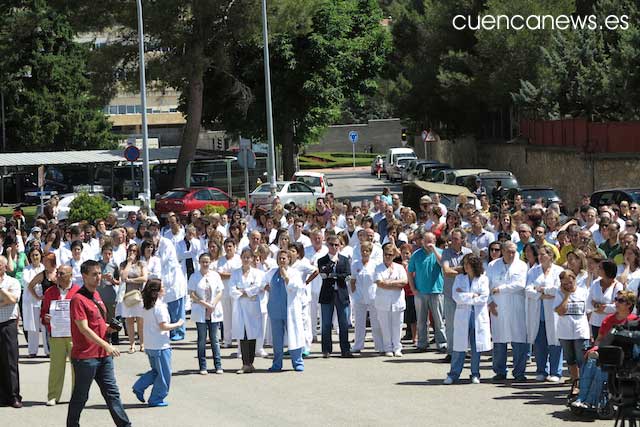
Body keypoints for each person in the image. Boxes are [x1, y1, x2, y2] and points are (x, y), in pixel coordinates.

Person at [67, 260, 130, 427]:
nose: (98, 277)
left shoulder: (96, 295)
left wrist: (110, 328)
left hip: (102, 355)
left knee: (112, 394)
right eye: (94, 274)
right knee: (81, 396)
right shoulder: (78, 299)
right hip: (86, 357)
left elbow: (98, 323)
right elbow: (84, 329)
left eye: (99, 273)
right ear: (84, 276)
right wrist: (107, 345)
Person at [571, 289, 638, 409]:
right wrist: (595, 348)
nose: (616, 303)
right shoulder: (608, 319)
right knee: (591, 361)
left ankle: (590, 401)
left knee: (602, 368)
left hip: (624, 357)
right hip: (606, 352)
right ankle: (581, 398)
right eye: (616, 300)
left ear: (629, 304)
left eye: (620, 301)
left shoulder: (634, 321)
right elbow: (599, 339)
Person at [132, 279, 183, 407]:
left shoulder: (146, 305)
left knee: (156, 371)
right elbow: (163, 326)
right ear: (157, 291)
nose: (164, 289)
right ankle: (156, 398)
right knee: (164, 374)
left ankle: (139, 386)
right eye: (162, 287)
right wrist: (178, 324)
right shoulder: (159, 306)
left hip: (151, 344)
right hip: (160, 345)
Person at [444, 254, 491, 384]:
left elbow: (483, 298)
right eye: (464, 264)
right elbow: (456, 297)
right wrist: (473, 295)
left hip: (477, 317)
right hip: (463, 317)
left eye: (467, 264)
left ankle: (475, 373)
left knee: (476, 347)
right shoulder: (459, 278)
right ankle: (453, 374)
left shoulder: (483, 279)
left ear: (474, 265)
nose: (465, 266)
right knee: (459, 347)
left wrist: (466, 296)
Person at [486, 241, 529, 381]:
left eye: (513, 251)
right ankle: (499, 371)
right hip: (497, 306)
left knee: (519, 340)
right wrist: (489, 302)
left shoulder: (522, 265)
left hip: (517, 307)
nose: (511, 254)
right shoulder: (492, 265)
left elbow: (520, 284)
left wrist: (501, 289)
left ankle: (519, 372)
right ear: (502, 251)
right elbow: (486, 285)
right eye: (508, 251)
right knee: (499, 339)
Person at [41, 265, 80, 406]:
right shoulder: (50, 292)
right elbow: (43, 311)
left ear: (70, 275)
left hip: (74, 335)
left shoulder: (78, 291)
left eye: (62, 273)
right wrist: (45, 318)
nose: (58, 275)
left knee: (77, 367)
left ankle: (76, 396)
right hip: (56, 334)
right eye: (57, 273)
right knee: (56, 366)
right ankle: (53, 396)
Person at [525, 246, 564, 383]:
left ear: (551, 255)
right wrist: (542, 295)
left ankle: (556, 372)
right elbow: (528, 290)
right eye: (539, 254)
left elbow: (558, 290)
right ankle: (541, 370)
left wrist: (542, 290)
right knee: (539, 343)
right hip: (537, 311)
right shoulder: (533, 271)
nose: (540, 257)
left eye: (543, 254)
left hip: (553, 312)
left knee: (555, 342)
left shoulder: (559, 271)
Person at [265, 250, 306, 372]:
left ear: (289, 259)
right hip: (275, 310)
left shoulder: (294, 273)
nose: (282, 260)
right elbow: (262, 282)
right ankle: (277, 364)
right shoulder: (271, 272)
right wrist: (265, 287)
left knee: (294, 336)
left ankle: (297, 362)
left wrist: (286, 276)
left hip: (290, 311)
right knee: (277, 340)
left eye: (284, 258)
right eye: (280, 258)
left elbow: (297, 287)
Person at [408, 231, 446, 352]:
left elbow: (442, 264)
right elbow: (410, 272)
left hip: (437, 291)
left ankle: (442, 343)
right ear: (422, 241)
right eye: (426, 241)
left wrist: (434, 250)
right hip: (420, 292)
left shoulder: (440, 253)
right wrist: (413, 288)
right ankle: (422, 343)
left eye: (431, 241)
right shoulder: (416, 255)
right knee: (421, 320)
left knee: (439, 320)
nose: (428, 243)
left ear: (434, 242)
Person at [554, 269, 590, 395]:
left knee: (582, 360)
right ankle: (576, 383)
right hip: (565, 332)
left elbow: (589, 311)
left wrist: (590, 330)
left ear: (575, 279)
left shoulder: (583, 291)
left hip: (581, 330)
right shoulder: (559, 293)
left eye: (570, 283)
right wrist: (567, 295)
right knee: (570, 360)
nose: (568, 286)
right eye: (565, 284)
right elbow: (560, 311)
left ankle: (584, 385)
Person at [230, 248, 265, 374]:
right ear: (241, 258)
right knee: (243, 334)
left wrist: (244, 291)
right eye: (244, 257)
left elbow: (257, 287)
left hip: (252, 307)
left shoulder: (257, 273)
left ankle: (251, 363)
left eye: (248, 257)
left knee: (252, 334)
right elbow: (232, 289)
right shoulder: (235, 273)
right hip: (240, 307)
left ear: (252, 259)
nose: (246, 259)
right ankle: (245, 364)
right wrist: (247, 292)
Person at [188, 253, 224, 375]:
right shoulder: (194, 276)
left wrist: (212, 304)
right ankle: (203, 366)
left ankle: (218, 365)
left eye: (207, 261)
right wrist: (204, 304)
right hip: (200, 310)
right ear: (199, 262)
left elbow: (220, 292)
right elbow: (192, 294)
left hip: (214, 310)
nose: (205, 264)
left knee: (215, 339)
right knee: (202, 339)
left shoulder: (215, 275)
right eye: (203, 261)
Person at [317, 234, 352, 358]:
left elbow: (347, 275)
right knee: (326, 323)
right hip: (327, 294)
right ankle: (326, 350)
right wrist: (332, 266)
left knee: (343, 323)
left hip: (341, 293)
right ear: (327, 245)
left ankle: (345, 349)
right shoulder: (322, 260)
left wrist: (333, 275)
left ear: (340, 245)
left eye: (336, 244)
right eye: (331, 244)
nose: (334, 247)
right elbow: (323, 273)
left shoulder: (344, 259)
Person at [440, 229, 471, 361]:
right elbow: (446, 271)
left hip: (465, 294)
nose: (452, 241)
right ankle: (451, 351)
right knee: (451, 323)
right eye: (452, 238)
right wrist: (462, 269)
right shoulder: (446, 252)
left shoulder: (468, 253)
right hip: (449, 293)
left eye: (456, 239)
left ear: (462, 240)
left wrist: (457, 269)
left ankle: (466, 349)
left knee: (466, 322)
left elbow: (471, 271)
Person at [375, 244, 408, 357]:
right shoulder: (378, 267)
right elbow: (380, 283)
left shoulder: (399, 267)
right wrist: (395, 283)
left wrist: (389, 282)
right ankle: (388, 347)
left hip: (397, 301)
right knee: (385, 326)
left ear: (394, 255)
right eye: (386, 254)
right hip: (383, 301)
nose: (387, 257)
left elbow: (404, 282)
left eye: (390, 254)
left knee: (397, 325)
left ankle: (397, 348)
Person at [350, 241, 383, 354]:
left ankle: (379, 346)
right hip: (359, 297)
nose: (364, 252)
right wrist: (354, 294)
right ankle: (358, 345)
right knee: (359, 323)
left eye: (367, 250)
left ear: (370, 252)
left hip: (373, 296)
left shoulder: (376, 264)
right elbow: (353, 280)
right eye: (362, 250)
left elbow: (378, 280)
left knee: (376, 322)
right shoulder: (355, 264)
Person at [0, 255, 22, 408]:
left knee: (10, 361)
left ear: (5, 267)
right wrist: (4, 300)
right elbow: (6, 301)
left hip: (8, 324)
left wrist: (1, 289)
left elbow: (12, 300)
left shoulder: (13, 282)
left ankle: (13, 396)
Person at [120, 243, 148, 353]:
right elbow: (123, 277)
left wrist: (131, 281)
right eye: (130, 250)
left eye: (135, 251)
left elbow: (144, 277)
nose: (132, 252)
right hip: (127, 296)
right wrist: (129, 262)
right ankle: (132, 344)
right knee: (129, 321)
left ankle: (142, 343)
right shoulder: (123, 264)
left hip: (139, 295)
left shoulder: (142, 264)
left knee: (141, 321)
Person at [587, 259, 624, 338]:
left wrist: (598, 306)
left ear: (607, 270)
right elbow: (589, 302)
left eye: (600, 267)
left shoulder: (618, 286)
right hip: (595, 323)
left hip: (610, 324)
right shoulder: (595, 283)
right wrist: (604, 307)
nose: (597, 269)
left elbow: (616, 306)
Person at [22, 247, 46, 357]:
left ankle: (48, 351)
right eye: (33, 255)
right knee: (33, 327)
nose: (35, 257)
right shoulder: (26, 269)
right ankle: (32, 351)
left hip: (43, 300)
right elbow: (27, 284)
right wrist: (37, 295)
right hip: (31, 300)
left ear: (41, 256)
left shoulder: (44, 268)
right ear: (30, 257)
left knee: (45, 325)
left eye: (37, 255)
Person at [217, 238, 241, 348]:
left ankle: (239, 340)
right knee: (226, 317)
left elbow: (239, 274)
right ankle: (227, 340)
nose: (228, 248)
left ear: (234, 247)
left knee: (237, 316)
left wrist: (229, 275)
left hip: (236, 291)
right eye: (226, 246)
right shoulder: (221, 260)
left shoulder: (239, 259)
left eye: (230, 246)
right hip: (225, 291)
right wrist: (232, 274)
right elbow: (220, 275)